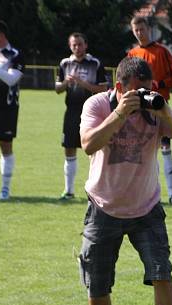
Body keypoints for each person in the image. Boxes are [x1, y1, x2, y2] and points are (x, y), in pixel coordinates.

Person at [76, 56, 172, 305]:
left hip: (146, 207)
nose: (143, 96)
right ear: (120, 87)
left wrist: (165, 111)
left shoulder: (155, 110)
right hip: (104, 206)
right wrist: (120, 112)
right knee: (97, 280)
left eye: (148, 89)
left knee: (161, 273)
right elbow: (88, 144)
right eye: (137, 91)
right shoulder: (98, 105)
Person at [127, 16, 172, 206]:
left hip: (159, 108)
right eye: (136, 30)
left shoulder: (162, 52)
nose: (139, 33)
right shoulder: (132, 54)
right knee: (139, 150)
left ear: (148, 29)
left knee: (166, 148)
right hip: (138, 109)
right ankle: (140, 194)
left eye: (142, 29)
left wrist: (160, 84)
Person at [55, 32, 108, 200]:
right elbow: (57, 89)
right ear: (70, 46)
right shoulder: (65, 63)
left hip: (93, 113)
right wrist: (66, 83)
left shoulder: (95, 63)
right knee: (69, 148)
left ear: (86, 45)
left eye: (80, 44)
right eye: (74, 45)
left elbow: (104, 89)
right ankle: (69, 190)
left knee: (97, 149)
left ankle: (97, 191)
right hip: (71, 111)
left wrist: (82, 83)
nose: (77, 48)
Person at [0, 19, 24, 201]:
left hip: (6, 108)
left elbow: (11, 80)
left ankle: (5, 188)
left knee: (5, 146)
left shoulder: (16, 55)